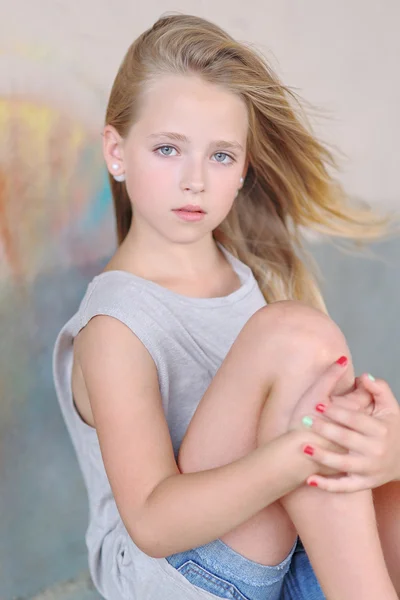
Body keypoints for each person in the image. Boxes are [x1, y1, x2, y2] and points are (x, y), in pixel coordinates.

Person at [52, 12, 400, 600]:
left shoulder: (244, 270)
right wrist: (295, 458)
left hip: (267, 545)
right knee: (294, 337)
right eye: (168, 149)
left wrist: (383, 453)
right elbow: (153, 523)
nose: (196, 181)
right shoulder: (114, 325)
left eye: (221, 156)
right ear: (116, 151)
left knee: (363, 434)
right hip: (169, 574)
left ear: (242, 169)